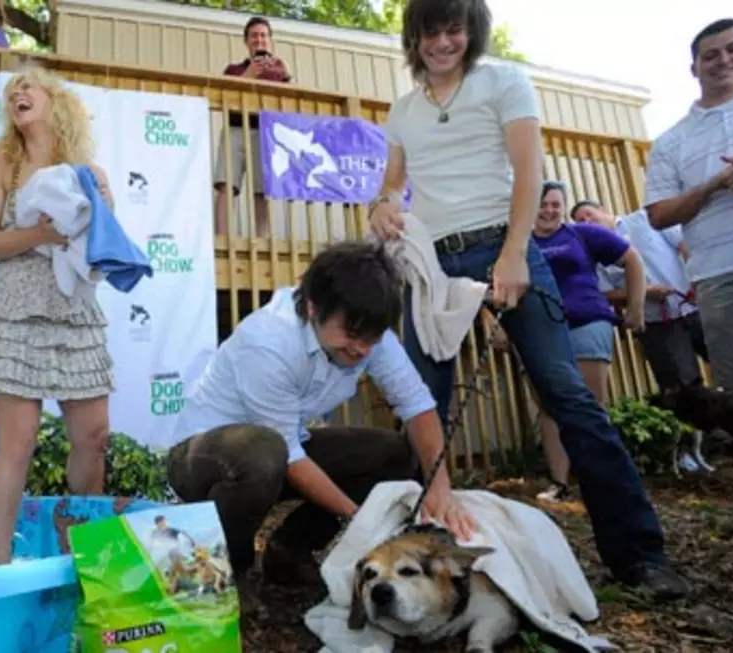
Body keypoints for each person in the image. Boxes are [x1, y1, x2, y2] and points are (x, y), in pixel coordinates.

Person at [369, 0, 686, 598]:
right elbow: (391, 185)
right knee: (421, 403)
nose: (442, 42)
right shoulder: (403, 110)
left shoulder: (504, 80)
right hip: (434, 265)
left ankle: (640, 556)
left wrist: (514, 253)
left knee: (567, 394)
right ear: (414, 37)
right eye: (429, 31)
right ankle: (408, 557)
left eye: (453, 29)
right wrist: (382, 204)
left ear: (472, 31)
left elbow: (528, 172)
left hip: (504, 244)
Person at [167, 241, 476, 586]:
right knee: (264, 451)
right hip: (204, 462)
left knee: (393, 453)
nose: (361, 349)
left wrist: (440, 486)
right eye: (352, 335)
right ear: (313, 308)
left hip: (277, 450)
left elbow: (418, 405)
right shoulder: (268, 341)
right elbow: (290, 457)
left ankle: (289, 550)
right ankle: (227, 573)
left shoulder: (369, 334)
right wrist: (363, 523)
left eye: (372, 338)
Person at [0, 66, 116, 565]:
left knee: (93, 438)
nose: (18, 94)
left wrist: (103, 216)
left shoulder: (86, 170)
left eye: (28, 86)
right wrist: (41, 236)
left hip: (73, 309)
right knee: (18, 441)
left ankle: (84, 557)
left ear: (55, 100)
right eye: (11, 92)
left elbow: (102, 246)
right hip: (14, 308)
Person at [644, 17, 733, 464]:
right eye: (710, 55)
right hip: (721, 274)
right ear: (694, 68)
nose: (723, 61)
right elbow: (658, 213)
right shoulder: (672, 141)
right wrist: (713, 186)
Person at [531, 181, 646, 503]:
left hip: (587, 320)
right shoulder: (517, 243)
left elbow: (632, 259)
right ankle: (559, 482)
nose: (549, 210)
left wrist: (636, 309)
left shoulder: (581, 234)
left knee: (589, 403)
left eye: (556, 204)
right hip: (538, 328)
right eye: (543, 204)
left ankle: (606, 481)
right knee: (547, 405)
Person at [571, 199, 709, 393]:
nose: (586, 221)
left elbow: (684, 244)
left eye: (588, 214)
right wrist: (647, 291)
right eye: (580, 221)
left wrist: (697, 282)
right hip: (656, 323)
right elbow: (606, 293)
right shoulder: (594, 252)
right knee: (684, 387)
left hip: (696, 305)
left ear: (603, 209)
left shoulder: (645, 218)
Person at [213, 16, 293, 238]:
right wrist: (248, 76)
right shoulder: (234, 69)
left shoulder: (279, 72)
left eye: (264, 36)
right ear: (247, 42)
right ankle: (221, 238)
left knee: (262, 190)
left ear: (270, 41)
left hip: (265, 133)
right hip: (236, 130)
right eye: (255, 36)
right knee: (226, 185)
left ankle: (262, 239)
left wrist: (286, 75)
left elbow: (291, 104)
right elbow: (224, 95)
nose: (260, 40)